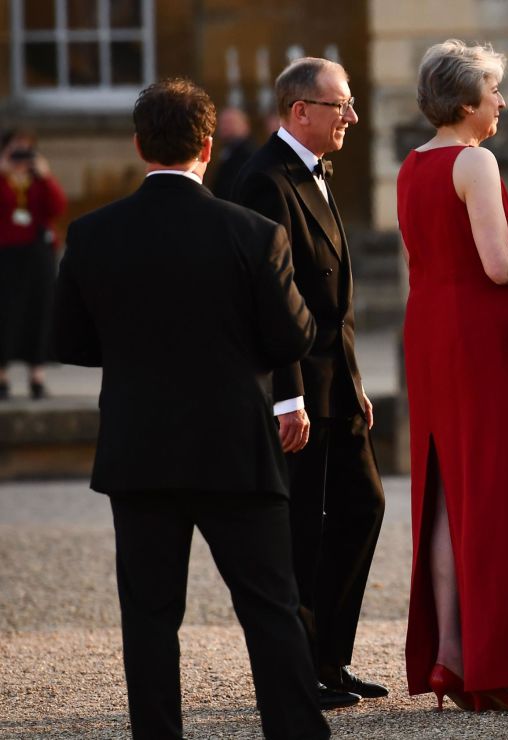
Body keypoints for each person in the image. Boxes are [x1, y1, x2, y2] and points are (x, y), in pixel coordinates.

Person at [51, 77, 327, 740]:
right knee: (270, 610)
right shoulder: (254, 233)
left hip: (139, 447)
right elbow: (293, 337)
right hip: (233, 444)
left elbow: (70, 343)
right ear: (207, 145)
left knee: (148, 617)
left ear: (140, 144)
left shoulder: (91, 234)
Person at [397, 39, 508, 713]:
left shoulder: (411, 165)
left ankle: (449, 656)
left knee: (442, 493)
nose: (502, 102)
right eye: (494, 91)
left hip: (428, 331)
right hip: (477, 338)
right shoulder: (475, 161)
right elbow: (496, 267)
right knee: (487, 492)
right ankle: (487, 665)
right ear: (466, 101)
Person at [233, 57, 387, 709]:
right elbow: (273, 299)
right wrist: (287, 395)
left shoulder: (317, 171)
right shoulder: (266, 181)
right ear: (301, 112)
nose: (352, 116)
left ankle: (330, 657)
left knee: (362, 509)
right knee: (301, 532)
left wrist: (355, 383)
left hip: (337, 387)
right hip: (301, 396)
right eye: (340, 105)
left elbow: (335, 303)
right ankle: (298, 674)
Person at [0, 128, 67, 400]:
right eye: (17, 149)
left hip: (37, 254)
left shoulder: (38, 180)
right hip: (6, 253)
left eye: (27, 149)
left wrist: (46, 175)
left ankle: (36, 375)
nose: (22, 156)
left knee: (39, 311)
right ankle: (2, 375)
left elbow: (58, 206)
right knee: (5, 312)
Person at [210, 106, 256, 201]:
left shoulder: (249, 155)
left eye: (230, 122)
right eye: (222, 123)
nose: (224, 127)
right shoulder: (228, 151)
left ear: (245, 126)